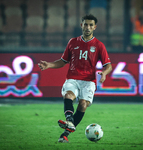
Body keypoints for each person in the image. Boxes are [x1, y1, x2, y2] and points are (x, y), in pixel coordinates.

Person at [38, 14, 112, 143]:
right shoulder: (72, 42)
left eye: (90, 25)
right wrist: (49, 65)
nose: (87, 27)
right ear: (81, 25)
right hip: (72, 78)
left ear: (95, 27)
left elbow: (108, 65)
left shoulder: (99, 45)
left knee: (83, 104)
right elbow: (63, 61)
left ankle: (65, 134)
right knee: (68, 95)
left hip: (89, 81)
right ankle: (70, 120)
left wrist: (105, 73)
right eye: (85, 24)